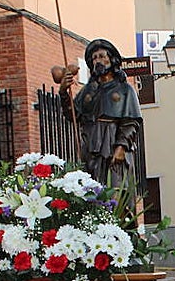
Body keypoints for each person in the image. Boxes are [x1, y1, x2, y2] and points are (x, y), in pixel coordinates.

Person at [59, 38, 142, 187]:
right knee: (93, 190)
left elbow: (131, 122)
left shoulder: (125, 90)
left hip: (113, 141)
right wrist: (64, 92)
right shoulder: (88, 91)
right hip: (91, 146)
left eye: (102, 56)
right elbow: (73, 115)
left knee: (116, 189)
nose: (98, 61)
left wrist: (122, 146)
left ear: (112, 59)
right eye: (95, 58)